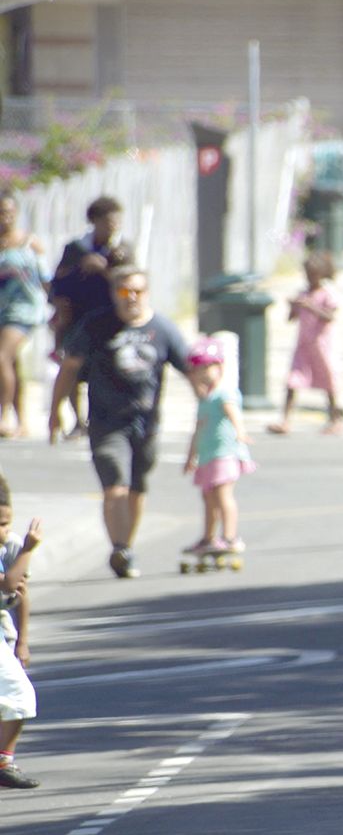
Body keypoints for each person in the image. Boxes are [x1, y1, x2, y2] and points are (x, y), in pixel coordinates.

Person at [48, 264, 194, 578]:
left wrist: (211, 407)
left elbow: (191, 368)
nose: (131, 298)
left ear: (147, 293)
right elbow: (70, 368)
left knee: (136, 490)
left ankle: (126, 545)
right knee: (115, 485)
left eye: (137, 291)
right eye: (124, 291)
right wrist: (55, 411)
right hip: (106, 422)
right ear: (114, 293)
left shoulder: (163, 329)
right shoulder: (96, 325)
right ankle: (120, 547)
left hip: (146, 423)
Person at [47, 196, 122, 441]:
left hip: (110, 320)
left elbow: (128, 281)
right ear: (95, 221)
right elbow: (58, 282)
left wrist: (103, 269)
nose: (113, 226)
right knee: (74, 369)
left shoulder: (121, 250)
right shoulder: (76, 249)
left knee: (104, 371)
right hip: (78, 319)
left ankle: (96, 419)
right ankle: (76, 420)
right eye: (108, 221)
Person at [182, 338, 253, 558]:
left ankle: (230, 537)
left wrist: (240, 431)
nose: (203, 373)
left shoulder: (224, 393)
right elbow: (198, 430)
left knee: (223, 495)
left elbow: (232, 412)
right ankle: (209, 538)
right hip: (207, 455)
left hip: (225, 454)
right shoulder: (205, 400)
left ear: (220, 368)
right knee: (208, 496)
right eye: (198, 369)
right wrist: (191, 456)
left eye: (208, 367)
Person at [267, 252, 343, 435]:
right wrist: (293, 306)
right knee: (292, 381)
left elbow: (330, 316)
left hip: (321, 346)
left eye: (313, 274)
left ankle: (335, 418)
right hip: (303, 346)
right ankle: (285, 420)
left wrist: (310, 306)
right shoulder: (303, 293)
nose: (309, 278)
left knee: (328, 382)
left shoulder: (326, 294)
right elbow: (291, 318)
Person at [0, 479, 44, 790]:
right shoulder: (21, 547)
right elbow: (8, 584)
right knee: (19, 694)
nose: (3, 531)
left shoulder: (11, 544)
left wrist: (23, 641)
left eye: (5, 523)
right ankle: (4, 761)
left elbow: (21, 592)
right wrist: (28, 550)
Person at [0, 193, 46, 439]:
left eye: (9, 212)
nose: (5, 218)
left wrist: (58, 308)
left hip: (24, 308)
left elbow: (45, 276)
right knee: (11, 363)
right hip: (0, 309)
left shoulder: (29, 242)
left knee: (1, 357)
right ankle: (22, 421)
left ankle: (4, 415)